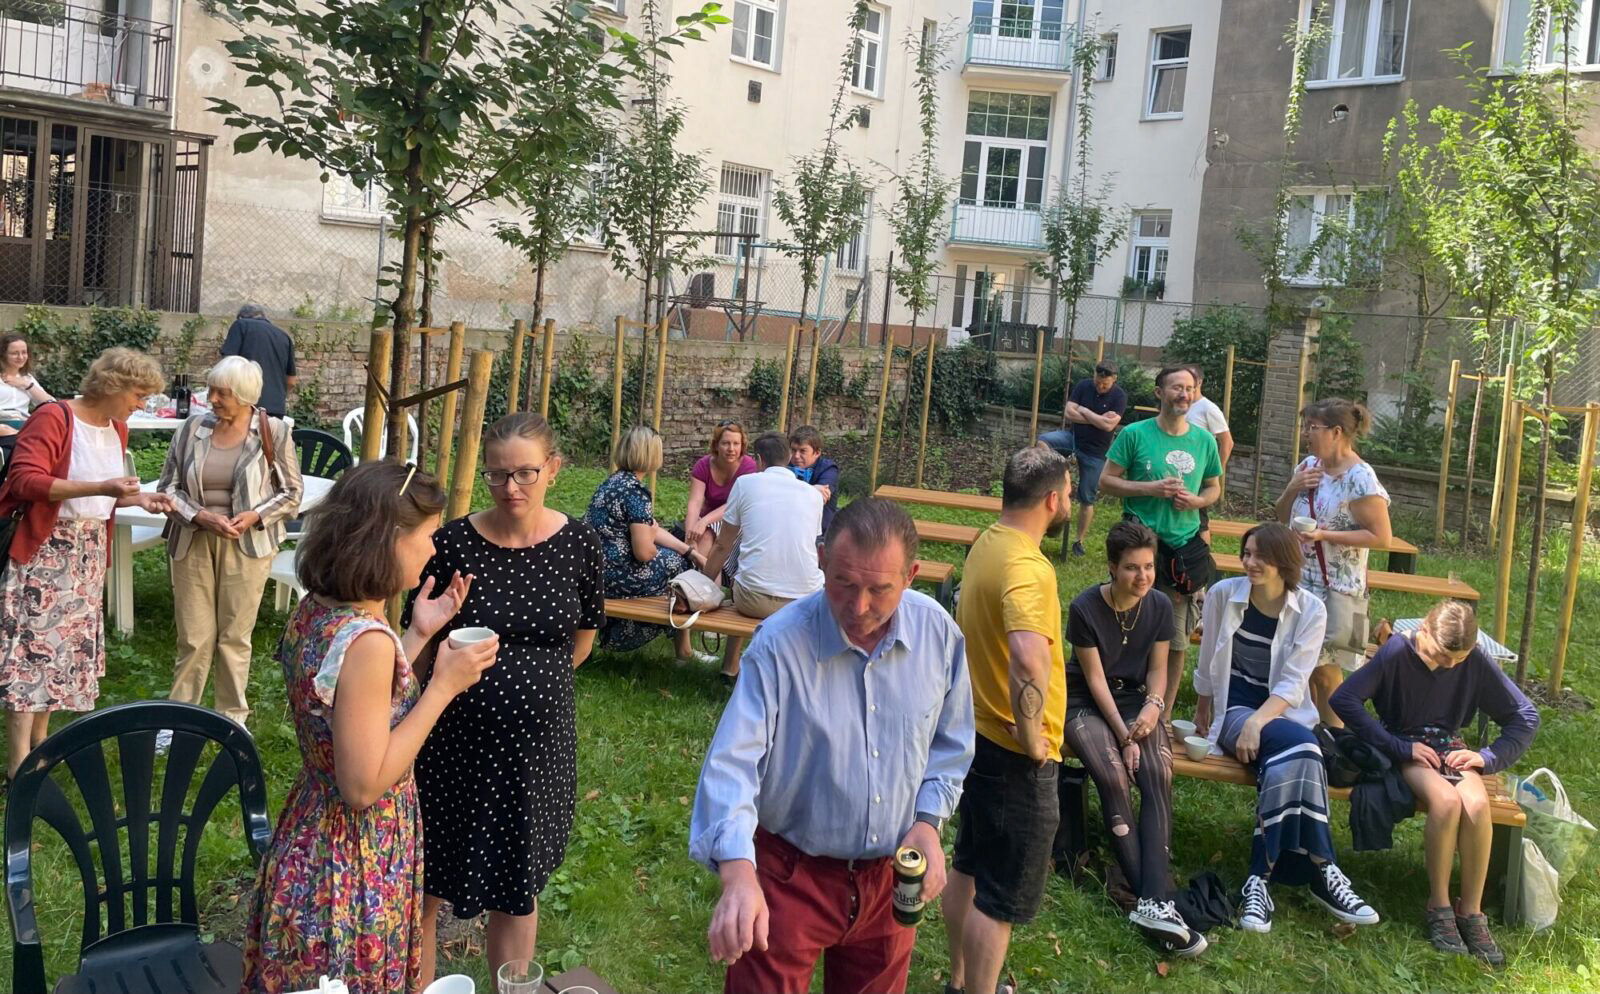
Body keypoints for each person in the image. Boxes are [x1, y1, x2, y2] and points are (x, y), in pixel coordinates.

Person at [689, 497, 973, 994]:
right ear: (821, 559)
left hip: (889, 878)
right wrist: (736, 872)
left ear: (911, 576)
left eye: (879, 590)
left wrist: (928, 822)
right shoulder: (779, 644)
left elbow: (951, 743)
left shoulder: (938, 636)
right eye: (843, 583)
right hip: (788, 876)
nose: (858, 607)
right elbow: (733, 763)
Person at [241, 461, 499, 993]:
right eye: (426, 536)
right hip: (352, 862)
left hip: (310, 834)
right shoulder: (367, 640)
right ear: (387, 540)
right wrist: (442, 687)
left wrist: (418, 635)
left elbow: (355, 706)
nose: (433, 549)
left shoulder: (319, 610)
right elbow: (362, 787)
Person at [409, 413, 605, 985]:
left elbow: (582, 641)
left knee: (517, 887)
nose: (510, 487)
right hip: (451, 746)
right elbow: (420, 644)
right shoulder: (451, 543)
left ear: (553, 468)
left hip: (535, 754)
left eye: (525, 473)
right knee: (427, 884)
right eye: (497, 475)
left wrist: (528, 691)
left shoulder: (580, 544)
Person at [1193, 522, 1378, 933]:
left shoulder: (1311, 610)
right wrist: (1205, 713)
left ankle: (1259, 879)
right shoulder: (1223, 595)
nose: (1250, 563)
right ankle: (1323, 870)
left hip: (1280, 717)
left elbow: (1295, 683)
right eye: (1247, 554)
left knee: (1298, 756)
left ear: (1284, 562)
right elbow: (1207, 660)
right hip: (1235, 711)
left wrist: (1258, 723)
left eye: (1261, 556)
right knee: (1306, 750)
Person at [1332, 600, 1538, 965]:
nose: (1451, 665)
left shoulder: (1474, 659)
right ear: (1424, 630)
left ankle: (1471, 912)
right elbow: (1344, 699)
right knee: (1446, 801)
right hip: (1407, 747)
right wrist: (1396, 746)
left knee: (1477, 804)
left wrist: (1487, 758)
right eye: (1444, 656)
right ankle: (1439, 905)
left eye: (1460, 659)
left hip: (1451, 746)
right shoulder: (1397, 651)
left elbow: (1525, 715)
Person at [0, 348, 171, 778]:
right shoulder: (55, 417)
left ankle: (41, 745)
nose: (141, 405)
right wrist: (102, 486)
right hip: (46, 551)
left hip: (87, 555)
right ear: (112, 385)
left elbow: (101, 498)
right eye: (138, 394)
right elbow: (25, 480)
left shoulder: (117, 428)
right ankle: (18, 766)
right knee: (31, 655)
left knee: (60, 656)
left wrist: (138, 498)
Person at [945, 446, 1072, 994]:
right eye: (1069, 493)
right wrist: (1033, 738)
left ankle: (958, 981)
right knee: (998, 898)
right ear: (1053, 500)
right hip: (1015, 752)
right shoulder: (1027, 566)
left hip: (975, 735)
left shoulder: (988, 542)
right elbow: (1026, 655)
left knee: (968, 866)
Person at [1061, 520, 1205, 955]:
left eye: (1148, 567)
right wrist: (1125, 738)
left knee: (1158, 773)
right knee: (1112, 775)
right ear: (1111, 567)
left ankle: (1152, 901)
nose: (1142, 576)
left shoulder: (1159, 604)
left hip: (1137, 701)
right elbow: (1094, 680)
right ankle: (1157, 900)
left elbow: (1158, 670)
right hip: (1086, 701)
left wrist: (1153, 707)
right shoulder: (1085, 607)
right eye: (1131, 568)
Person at [157, 356, 303, 739]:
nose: (212, 399)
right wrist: (201, 516)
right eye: (212, 390)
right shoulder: (191, 429)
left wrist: (255, 515)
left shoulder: (272, 431)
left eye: (222, 393)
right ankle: (178, 719)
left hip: (247, 544)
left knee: (235, 636)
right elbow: (168, 488)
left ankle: (231, 719)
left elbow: (291, 492)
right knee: (193, 637)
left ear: (244, 395)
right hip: (193, 539)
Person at [1100, 365, 1221, 723]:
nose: (1184, 394)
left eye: (1189, 388)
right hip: (1139, 547)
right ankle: (1118, 702)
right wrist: (1149, 489)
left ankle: (1162, 717)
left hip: (1182, 554)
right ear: (1159, 393)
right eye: (1176, 388)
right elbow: (1106, 481)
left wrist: (1197, 501)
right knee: (1125, 625)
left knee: (1175, 639)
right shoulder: (1134, 434)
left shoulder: (1204, 441)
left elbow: (1213, 487)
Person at [1274, 398, 1392, 726]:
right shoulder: (1308, 466)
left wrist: (1324, 535)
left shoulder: (1360, 478)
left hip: (1337, 590)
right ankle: (1314, 734)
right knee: (1303, 668)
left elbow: (1382, 537)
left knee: (1326, 674)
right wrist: (1293, 487)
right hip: (1299, 582)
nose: (1305, 434)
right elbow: (1281, 515)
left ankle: (1337, 739)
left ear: (1336, 432)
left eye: (1312, 427)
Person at [586, 426, 705, 659]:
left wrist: (690, 551)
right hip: (617, 579)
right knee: (683, 570)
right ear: (651, 455)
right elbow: (644, 552)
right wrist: (686, 558)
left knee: (682, 559)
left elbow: (651, 529)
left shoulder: (611, 484)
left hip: (596, 573)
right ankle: (683, 652)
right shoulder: (635, 493)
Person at [702, 431, 825, 626]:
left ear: (758, 460)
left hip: (753, 601)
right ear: (788, 457)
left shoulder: (744, 484)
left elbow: (722, 545)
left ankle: (732, 648)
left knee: (741, 576)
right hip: (804, 601)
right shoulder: (813, 495)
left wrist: (703, 586)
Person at [1038, 360, 1126, 557]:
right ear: (1094, 374)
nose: (1100, 386)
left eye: (1105, 384)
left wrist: (1084, 411)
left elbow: (1108, 426)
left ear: (1114, 379)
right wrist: (1098, 417)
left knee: (1087, 498)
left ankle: (1079, 541)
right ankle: (1057, 474)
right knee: (1044, 442)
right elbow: (1069, 413)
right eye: (1097, 381)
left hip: (1095, 452)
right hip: (1072, 439)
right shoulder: (1083, 385)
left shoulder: (1119, 396)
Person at [685, 420, 758, 567]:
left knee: (708, 536)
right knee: (700, 539)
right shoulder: (703, 465)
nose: (731, 449)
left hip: (737, 519)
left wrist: (704, 522)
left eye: (736, 444)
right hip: (708, 518)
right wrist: (690, 536)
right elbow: (695, 502)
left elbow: (735, 504)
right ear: (716, 445)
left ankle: (697, 576)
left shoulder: (749, 466)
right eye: (725, 443)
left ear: (742, 446)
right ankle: (702, 577)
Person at [219, 303, 297, 418]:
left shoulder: (241, 325)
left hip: (244, 406)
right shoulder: (284, 337)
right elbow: (291, 381)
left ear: (241, 317)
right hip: (275, 409)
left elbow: (227, 366)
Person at [1183, 365, 1232, 546]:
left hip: (1199, 473)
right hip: (1180, 470)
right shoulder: (1180, 405)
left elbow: (1227, 442)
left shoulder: (1208, 408)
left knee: (1200, 520)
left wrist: (1215, 472)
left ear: (1199, 382)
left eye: (1190, 380)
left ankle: (1203, 557)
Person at [788, 424, 840, 539]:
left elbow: (820, 498)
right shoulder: (786, 465)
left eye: (803, 451)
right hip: (790, 530)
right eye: (793, 450)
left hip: (819, 534)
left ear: (817, 453)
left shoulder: (829, 469)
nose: (796, 456)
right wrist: (812, 489)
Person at [0, 333, 54, 435]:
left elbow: (51, 404)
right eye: (14, 353)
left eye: (24, 352)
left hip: (24, 427)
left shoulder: (27, 378)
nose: (20, 357)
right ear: (3, 355)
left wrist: (26, 384)